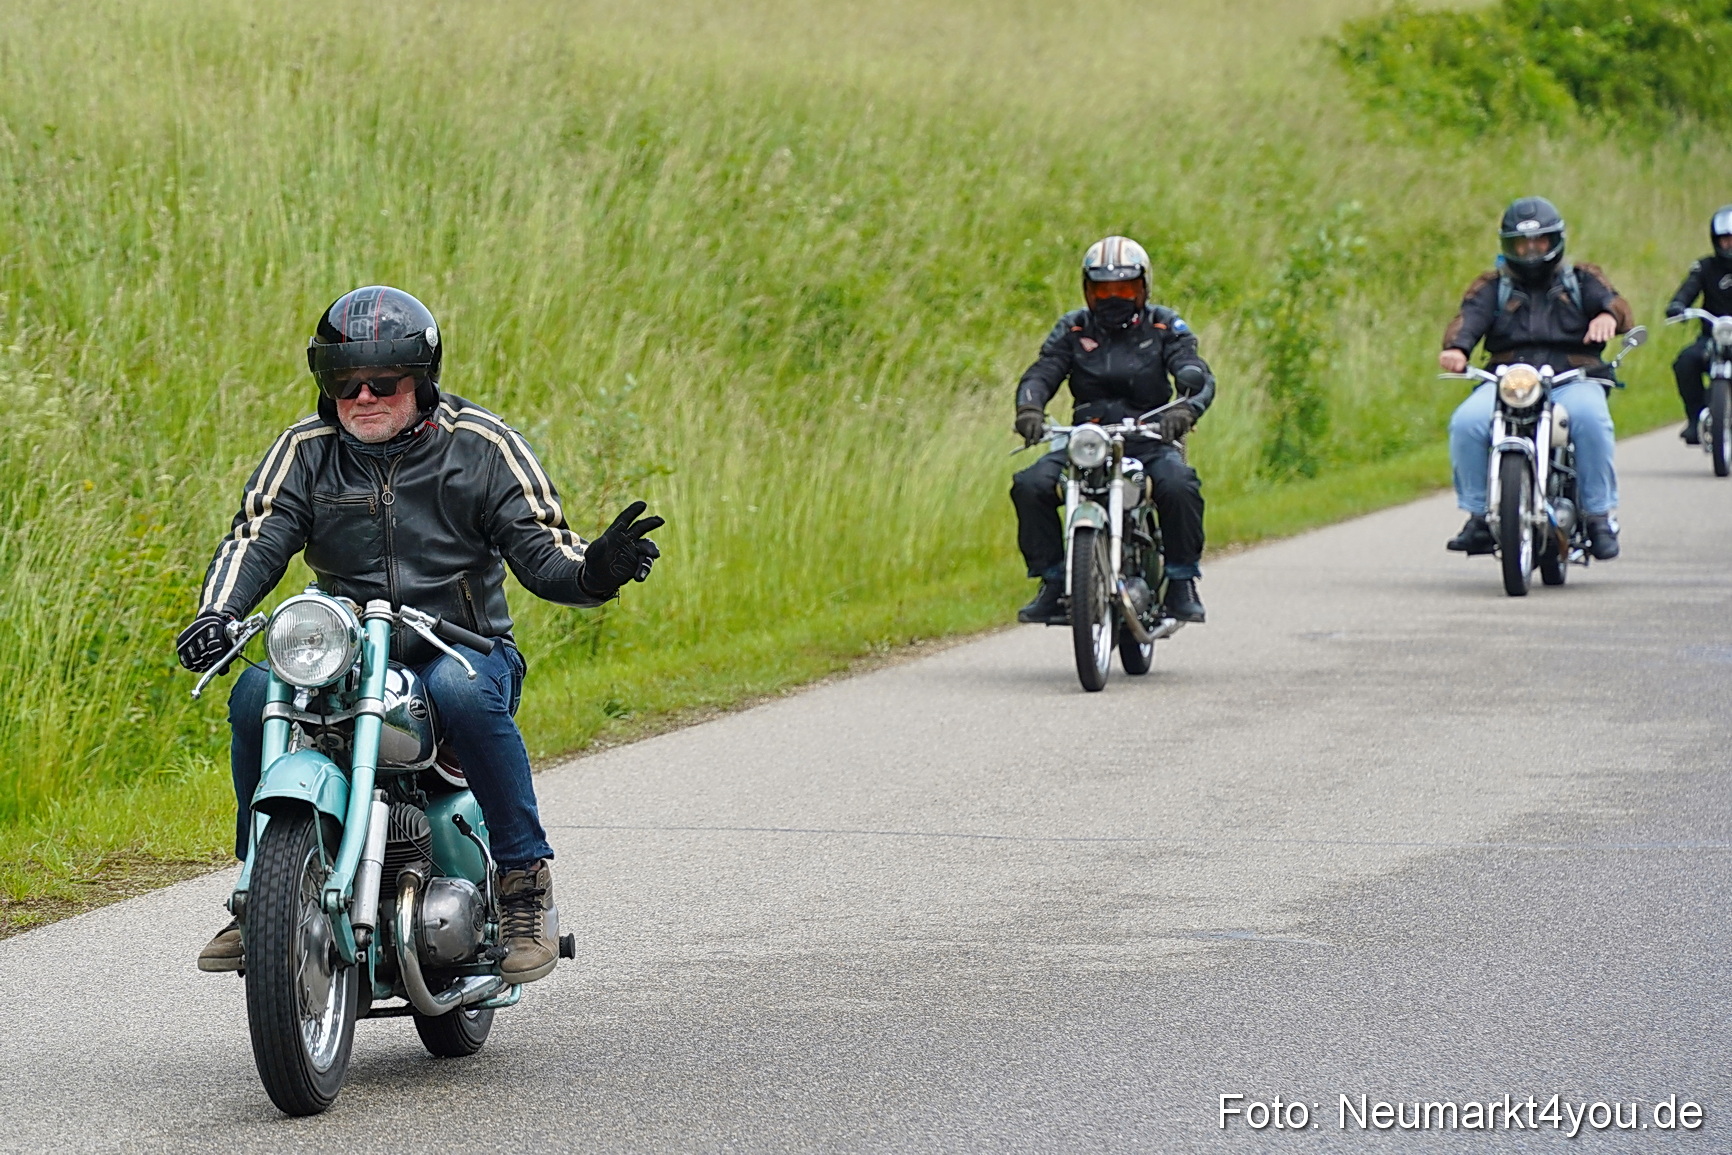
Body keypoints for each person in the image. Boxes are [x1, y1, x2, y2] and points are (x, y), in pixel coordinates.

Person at [176, 286, 662, 982]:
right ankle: (260, 887)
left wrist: (598, 570)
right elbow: (257, 535)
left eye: (384, 381)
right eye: (346, 382)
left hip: (464, 646)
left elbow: (546, 556)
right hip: (345, 653)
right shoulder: (306, 451)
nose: (363, 395)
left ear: (423, 381)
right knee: (256, 691)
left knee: (460, 693)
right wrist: (216, 614)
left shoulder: (482, 446)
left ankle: (524, 882)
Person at [1010, 236, 1215, 625]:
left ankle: (1182, 580)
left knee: (1178, 484)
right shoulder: (1072, 328)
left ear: (1144, 287)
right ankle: (1053, 580)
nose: (1113, 297)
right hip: (1086, 440)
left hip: (1149, 437)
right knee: (1030, 484)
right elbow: (1043, 371)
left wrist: (1185, 409)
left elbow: (1196, 371)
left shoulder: (1164, 324)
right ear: (1087, 290)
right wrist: (1030, 409)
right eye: (1103, 289)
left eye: (1123, 288)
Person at [1440, 197, 1633, 559]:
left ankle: (1597, 515)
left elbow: (1617, 305)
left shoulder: (1582, 278)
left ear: (1554, 241)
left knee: (1593, 420)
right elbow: (1469, 318)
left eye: (1538, 242)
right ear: (1507, 246)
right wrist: (1458, 349)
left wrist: (1607, 315)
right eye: (1520, 243)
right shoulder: (1491, 285)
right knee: (1466, 423)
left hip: (1573, 375)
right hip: (1510, 379)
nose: (1529, 250)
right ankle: (1479, 516)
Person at [1665, 205, 1732, 444]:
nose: (1730, 245)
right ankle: (1695, 419)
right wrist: (1678, 305)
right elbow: (1688, 288)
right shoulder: (1705, 267)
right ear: (1716, 240)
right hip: (1713, 338)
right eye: (1725, 240)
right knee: (1685, 361)